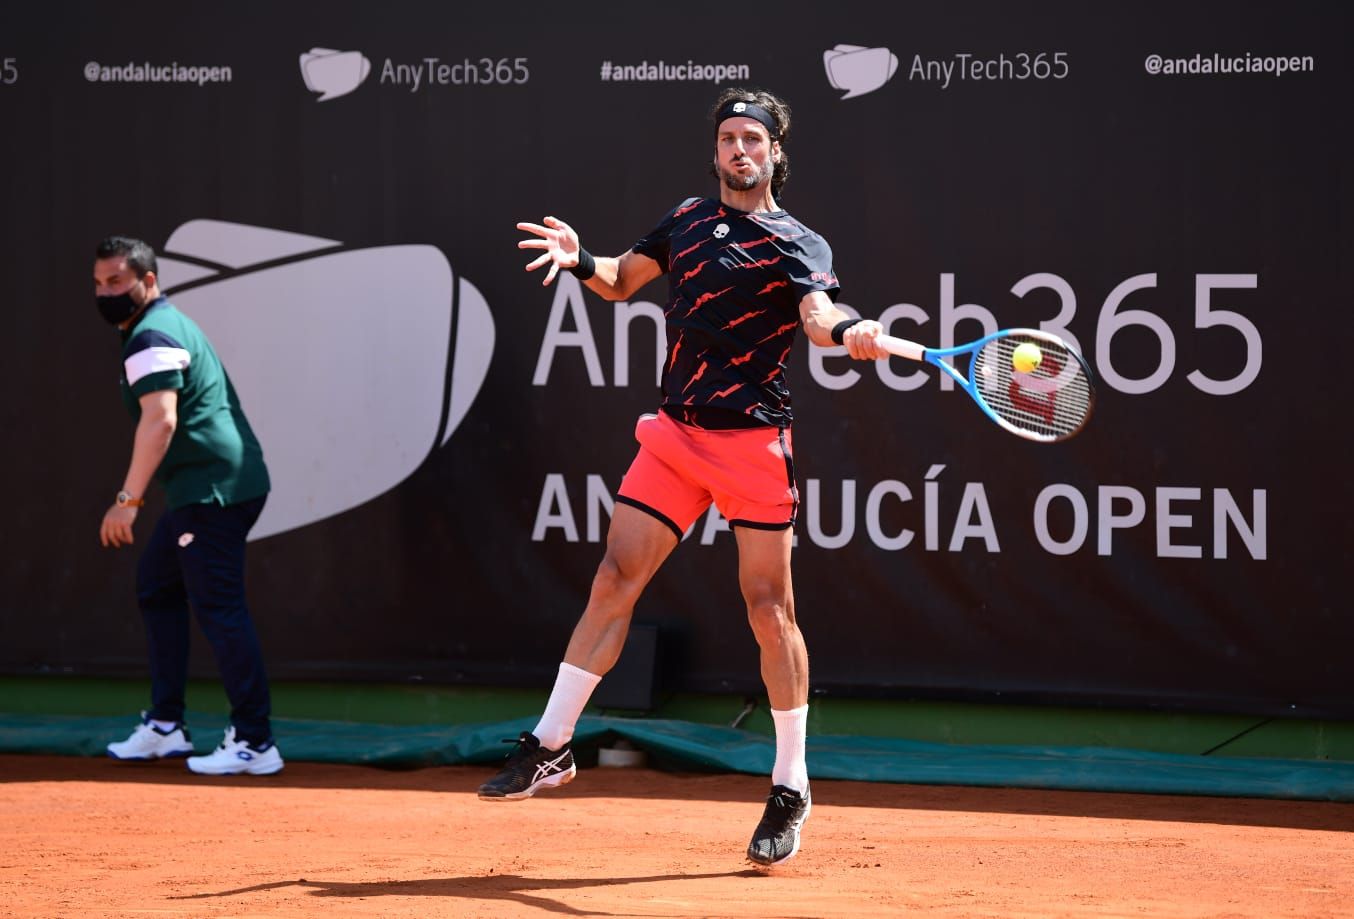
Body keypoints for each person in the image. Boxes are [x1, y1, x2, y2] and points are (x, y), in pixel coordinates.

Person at [480, 88, 887, 866]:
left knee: (769, 610)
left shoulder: (799, 242)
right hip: (675, 434)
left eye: (753, 140)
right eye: (729, 138)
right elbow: (622, 279)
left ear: (775, 153)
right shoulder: (688, 219)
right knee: (613, 578)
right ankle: (552, 742)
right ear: (716, 151)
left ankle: (791, 783)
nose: (740, 150)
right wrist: (581, 261)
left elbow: (817, 316)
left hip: (751, 444)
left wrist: (849, 329)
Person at [94, 236, 283, 776]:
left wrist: (127, 501)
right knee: (159, 586)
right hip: (206, 488)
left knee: (219, 607)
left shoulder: (151, 333)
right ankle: (165, 726)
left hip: (214, 491)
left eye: (117, 282)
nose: (106, 292)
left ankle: (254, 740)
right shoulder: (161, 324)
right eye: (100, 282)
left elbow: (161, 420)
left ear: (147, 282)